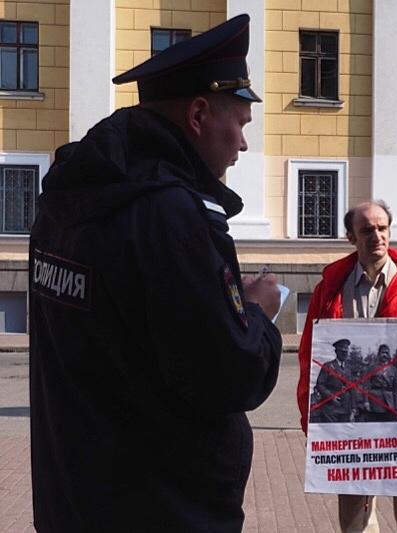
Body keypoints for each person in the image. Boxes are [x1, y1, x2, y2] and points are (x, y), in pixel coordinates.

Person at [29, 15, 283, 533]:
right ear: (197, 114)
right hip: (162, 506)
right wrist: (257, 314)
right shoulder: (171, 216)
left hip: (76, 500)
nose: (242, 145)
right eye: (239, 123)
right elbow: (228, 373)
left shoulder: (68, 193)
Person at [297, 201, 397, 533]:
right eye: (367, 230)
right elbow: (310, 359)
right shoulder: (329, 289)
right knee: (355, 516)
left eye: (382, 228)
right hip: (352, 426)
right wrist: (314, 420)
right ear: (351, 237)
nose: (377, 236)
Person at [314, 338, 356, 423]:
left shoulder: (348, 368)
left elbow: (352, 388)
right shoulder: (329, 366)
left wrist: (354, 408)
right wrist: (331, 396)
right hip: (331, 407)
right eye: (342, 351)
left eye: (346, 351)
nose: (345, 354)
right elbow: (320, 384)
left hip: (346, 407)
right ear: (336, 352)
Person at [365, 344, 397, 422]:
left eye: (386, 353)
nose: (384, 355)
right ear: (379, 354)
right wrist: (366, 401)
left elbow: (396, 390)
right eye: (382, 353)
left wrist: (396, 406)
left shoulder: (393, 369)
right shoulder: (372, 368)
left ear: (389, 355)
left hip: (389, 402)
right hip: (375, 401)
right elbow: (366, 386)